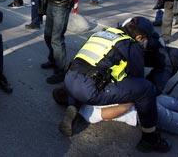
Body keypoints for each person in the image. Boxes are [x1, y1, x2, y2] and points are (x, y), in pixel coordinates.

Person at [61, 17, 170, 153]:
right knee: (145, 88)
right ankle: (149, 139)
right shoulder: (131, 45)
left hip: (69, 78)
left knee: (92, 74)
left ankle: (70, 101)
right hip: (89, 90)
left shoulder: (104, 33)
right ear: (140, 37)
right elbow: (137, 78)